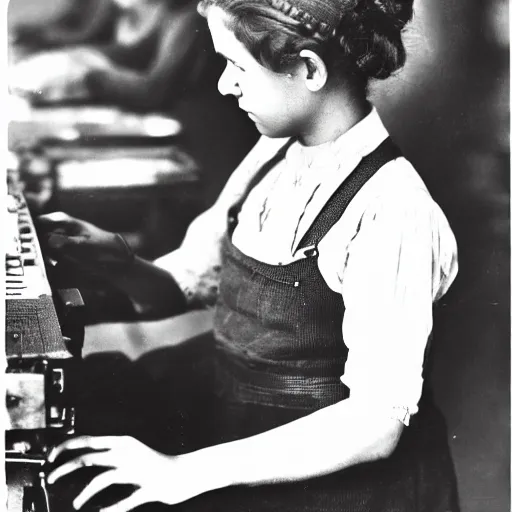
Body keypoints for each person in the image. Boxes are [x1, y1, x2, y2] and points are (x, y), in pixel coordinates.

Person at [38, 0, 460, 510]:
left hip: (320, 471)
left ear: (309, 69)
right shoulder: (275, 153)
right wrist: (124, 266)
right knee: (76, 417)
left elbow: (375, 424)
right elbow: (202, 282)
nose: (223, 84)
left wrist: (182, 471)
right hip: (230, 403)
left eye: (237, 66)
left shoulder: (391, 207)